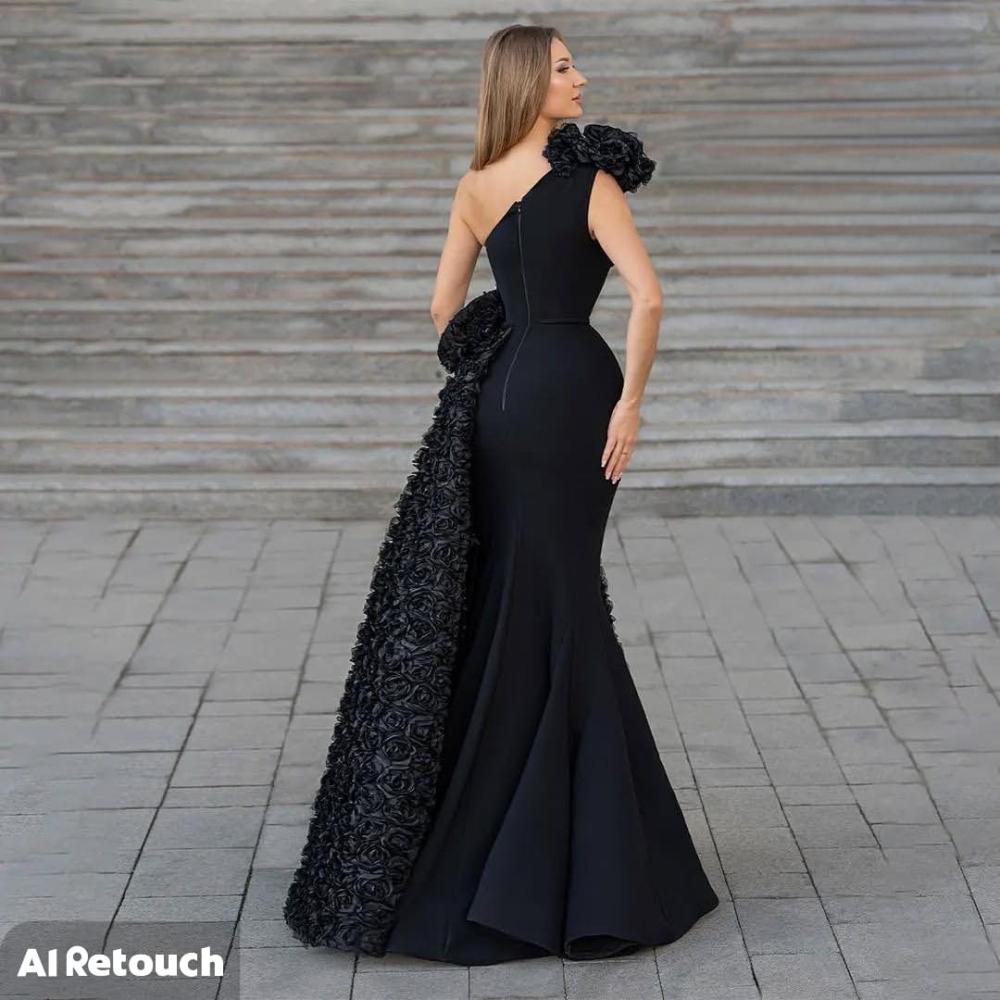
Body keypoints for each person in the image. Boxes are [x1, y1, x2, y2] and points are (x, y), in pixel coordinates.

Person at [283, 23, 720, 967]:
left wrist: (504, 335)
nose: (581, 77)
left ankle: (506, 831)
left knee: (524, 589)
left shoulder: (476, 184)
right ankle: (581, 859)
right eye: (564, 67)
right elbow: (648, 296)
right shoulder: (589, 183)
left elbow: (443, 314)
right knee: (563, 595)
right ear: (528, 81)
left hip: (502, 396)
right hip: (575, 392)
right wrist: (632, 403)